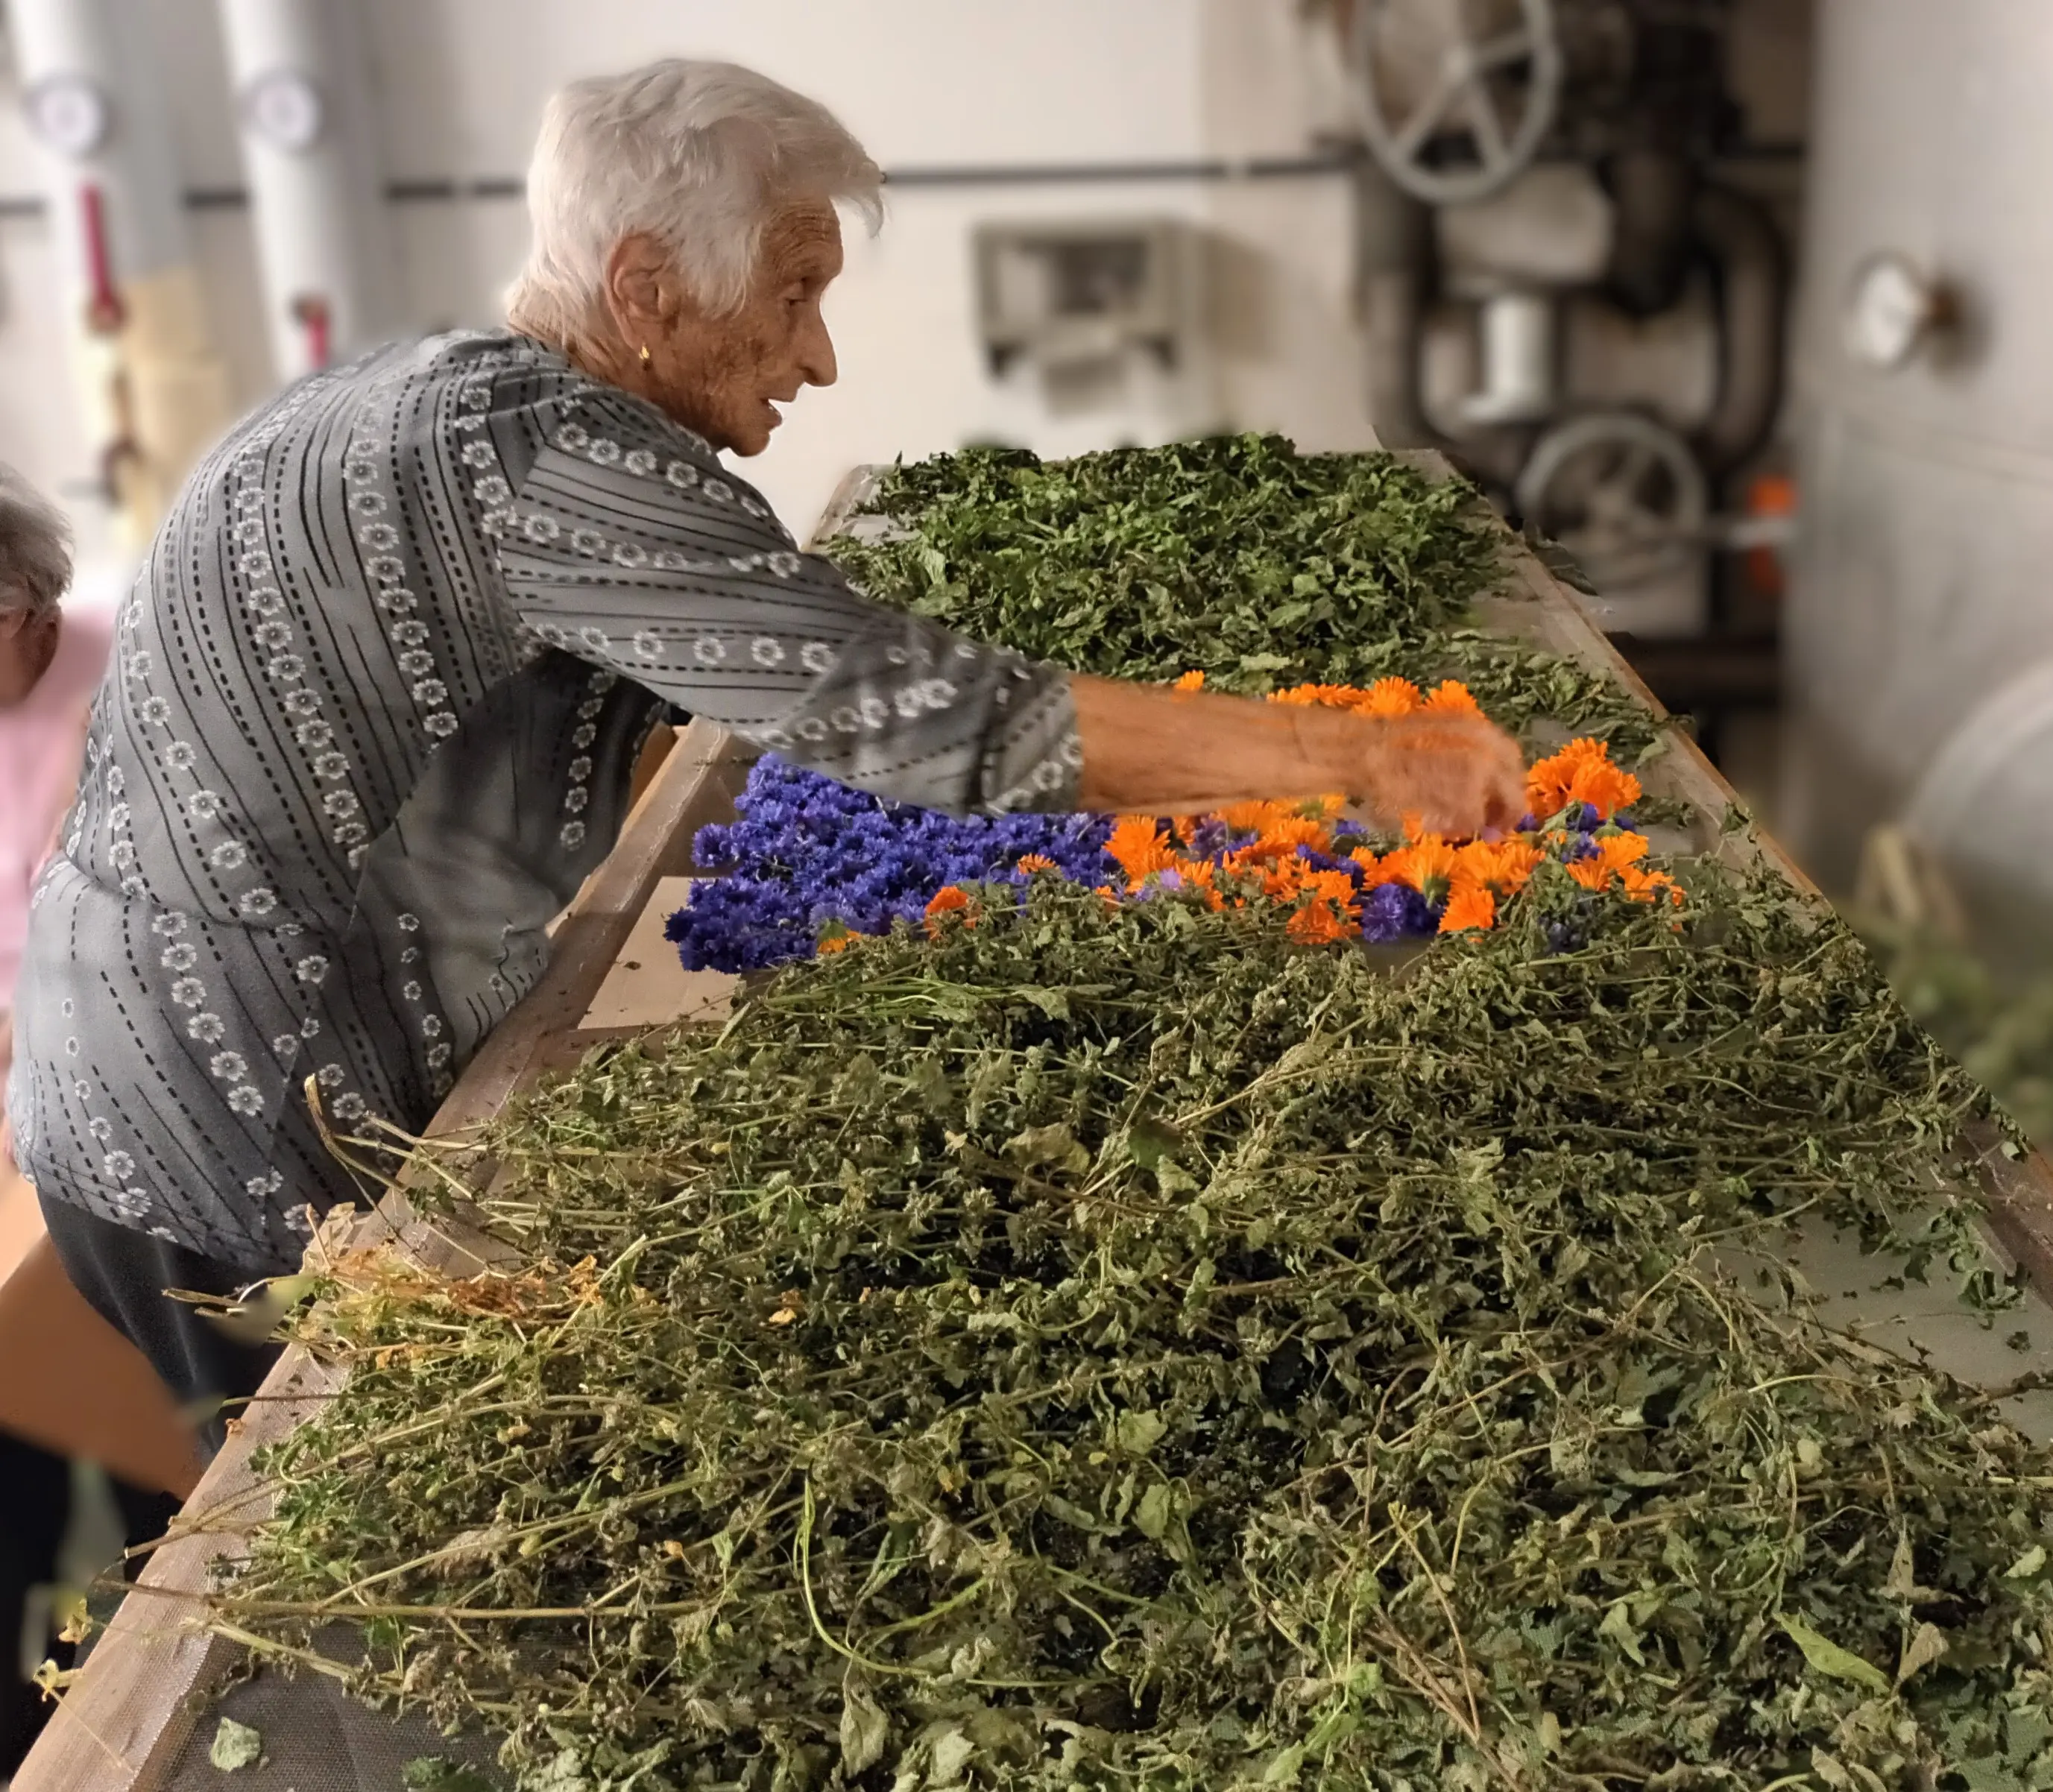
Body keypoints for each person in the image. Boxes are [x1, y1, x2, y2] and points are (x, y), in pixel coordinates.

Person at [7, 60, 1526, 1448]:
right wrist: (1356, 759)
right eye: (793, 293)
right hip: (226, 1110)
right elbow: (933, 716)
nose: (817, 359)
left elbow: (753, 668)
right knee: (373, 1493)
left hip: (122, 1060)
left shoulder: (419, 394)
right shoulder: (541, 451)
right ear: (646, 286)